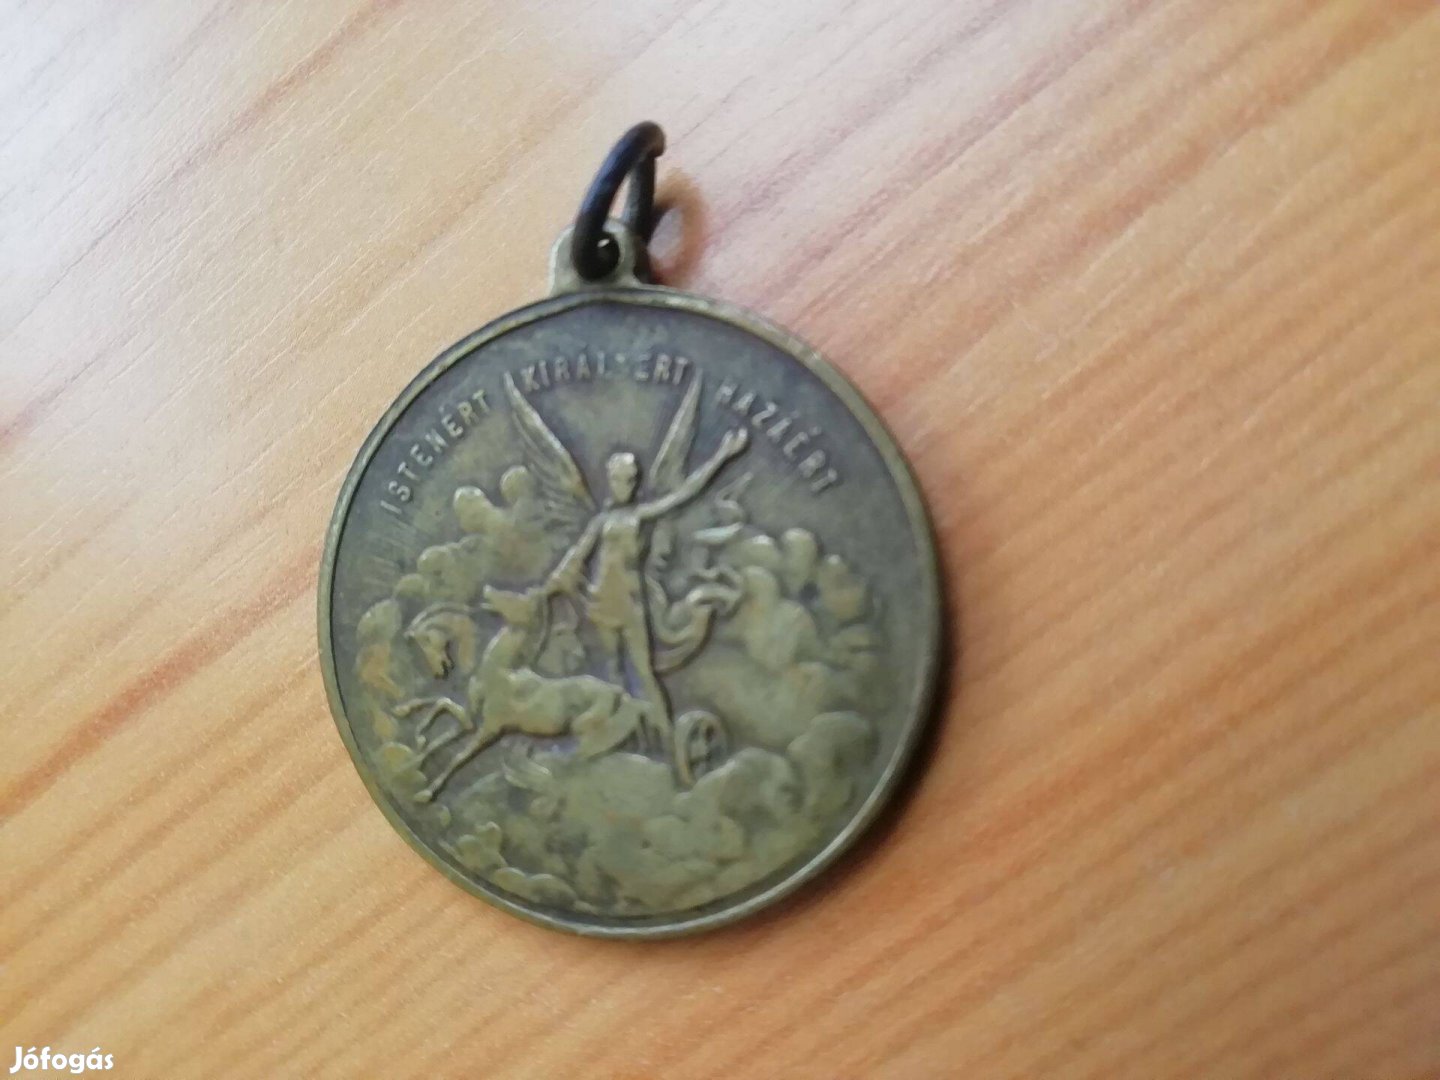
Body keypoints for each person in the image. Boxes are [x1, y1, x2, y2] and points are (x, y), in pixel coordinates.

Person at [541, 428, 749, 747]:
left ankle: (667, 739)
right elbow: (576, 556)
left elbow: (684, 494)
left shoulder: (641, 516)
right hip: (601, 603)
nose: (624, 485)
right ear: (610, 481)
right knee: (612, 674)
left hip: (631, 604)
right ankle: (621, 740)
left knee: (644, 672)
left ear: (635, 482)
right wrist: (552, 585)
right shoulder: (600, 522)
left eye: (629, 480)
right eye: (618, 479)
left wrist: (722, 456)